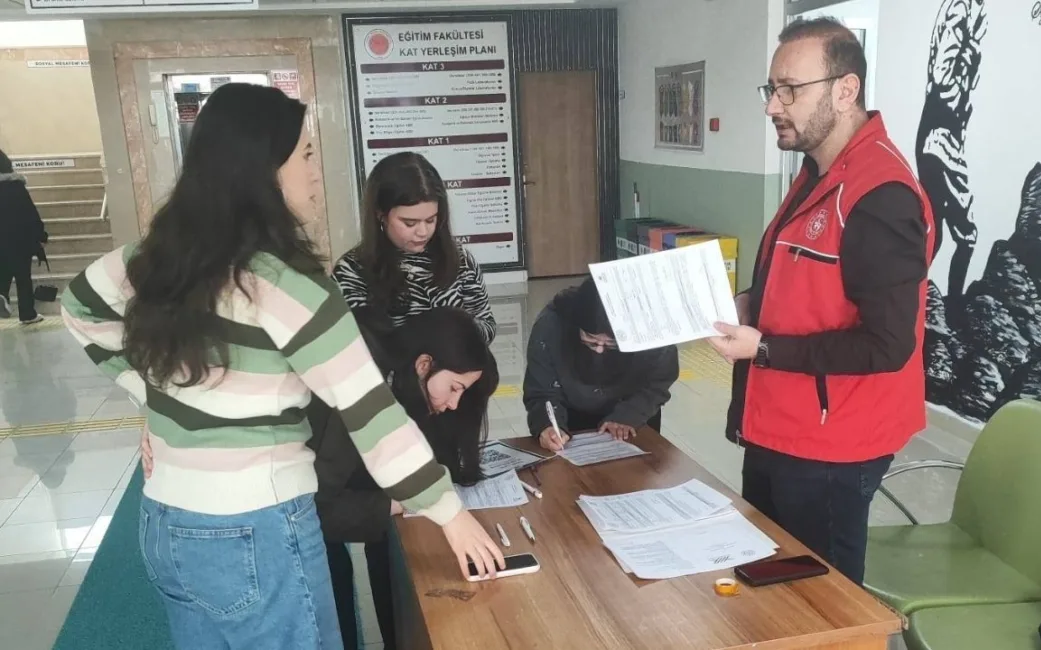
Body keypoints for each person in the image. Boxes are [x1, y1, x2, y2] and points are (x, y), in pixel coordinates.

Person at [60, 83, 502, 650]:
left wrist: (149, 396)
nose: (317, 173)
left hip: (166, 521)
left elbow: (79, 309)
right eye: (307, 156)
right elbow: (372, 414)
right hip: (257, 528)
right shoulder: (288, 286)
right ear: (264, 170)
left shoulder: (158, 257)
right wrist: (451, 514)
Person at [708, 18, 933, 585]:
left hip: (832, 443)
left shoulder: (880, 194)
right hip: (779, 422)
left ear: (845, 89)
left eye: (790, 90)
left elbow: (887, 344)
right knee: (766, 577)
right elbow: (805, 283)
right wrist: (747, 303)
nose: (772, 106)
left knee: (823, 600)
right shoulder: (818, 171)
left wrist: (763, 348)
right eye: (771, 89)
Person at [308, 307, 498, 650]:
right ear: (424, 365)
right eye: (454, 388)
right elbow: (314, 512)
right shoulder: (362, 386)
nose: (455, 404)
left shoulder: (392, 374)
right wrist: (398, 504)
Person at [333, 151, 496, 343]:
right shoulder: (352, 271)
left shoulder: (460, 260)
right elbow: (352, 346)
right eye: (410, 223)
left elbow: (487, 323)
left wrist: (455, 338)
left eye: (431, 220)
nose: (423, 232)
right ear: (380, 214)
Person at [524, 277, 678, 451]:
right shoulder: (552, 324)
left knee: (640, 472)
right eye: (590, 339)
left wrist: (629, 415)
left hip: (633, 413)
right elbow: (541, 390)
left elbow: (658, 382)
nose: (599, 350)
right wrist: (547, 425)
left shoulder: (651, 330)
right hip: (570, 415)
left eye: (611, 344)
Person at [0, 148, 46, 324]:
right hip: (20, 239)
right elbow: (30, 213)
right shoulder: (15, 186)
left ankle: (2, 294)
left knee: (3, 270)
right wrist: (41, 234)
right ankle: (27, 314)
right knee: (23, 276)